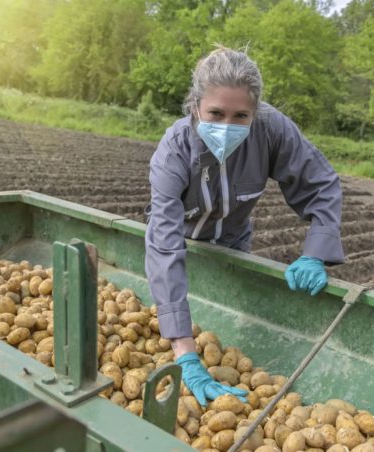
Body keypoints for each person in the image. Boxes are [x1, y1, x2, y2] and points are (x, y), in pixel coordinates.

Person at [145, 46, 344, 407]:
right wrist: (186, 355)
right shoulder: (174, 150)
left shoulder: (271, 130)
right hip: (182, 243)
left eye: (240, 116)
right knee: (176, 304)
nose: (226, 127)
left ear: (256, 112)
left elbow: (321, 183)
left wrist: (316, 252)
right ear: (195, 107)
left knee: (225, 326)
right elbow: (164, 245)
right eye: (215, 113)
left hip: (233, 243)